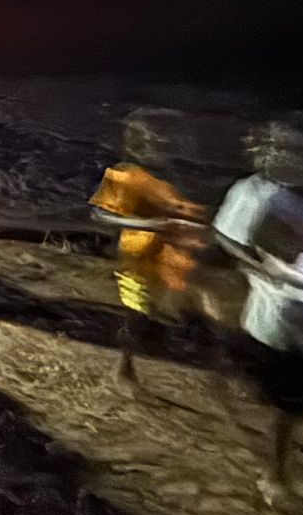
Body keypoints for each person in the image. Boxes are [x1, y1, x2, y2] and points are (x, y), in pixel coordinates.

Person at [213, 111, 303, 507]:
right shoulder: (259, 195)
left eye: (299, 151)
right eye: (280, 149)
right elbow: (227, 236)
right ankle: (274, 476)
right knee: (288, 405)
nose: (283, 158)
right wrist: (264, 266)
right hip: (286, 324)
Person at [87, 108, 219, 389]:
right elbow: (100, 215)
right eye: (153, 141)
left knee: (191, 310)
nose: (160, 147)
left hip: (175, 257)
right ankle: (125, 368)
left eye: (165, 142)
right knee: (138, 315)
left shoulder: (170, 174)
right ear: (135, 141)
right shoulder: (124, 174)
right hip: (139, 259)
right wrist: (150, 223)